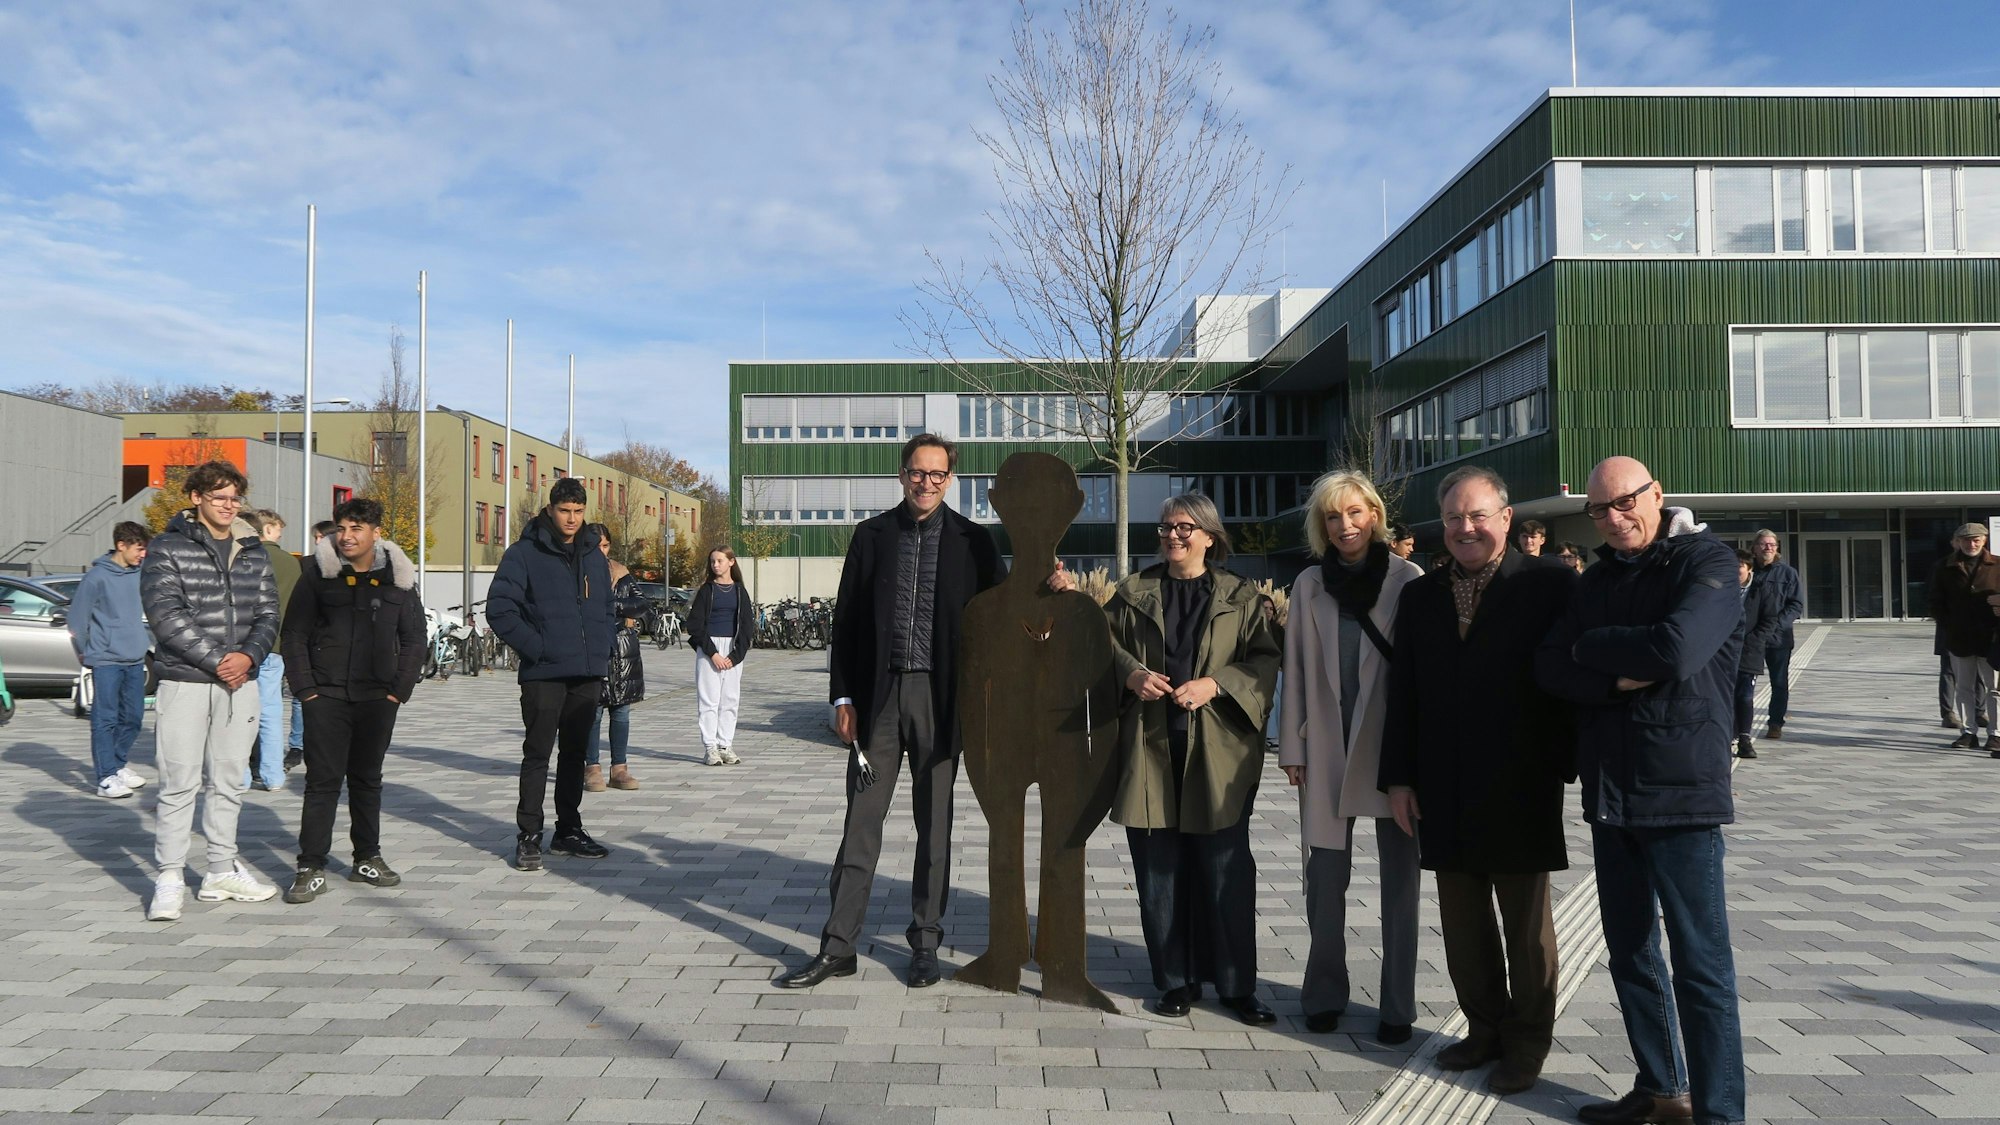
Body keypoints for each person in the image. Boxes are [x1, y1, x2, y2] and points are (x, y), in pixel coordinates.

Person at [1536, 457, 1745, 1125]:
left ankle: (1720, 1114)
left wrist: (1592, 646)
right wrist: (1608, 673)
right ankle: (1662, 1089)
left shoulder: (1704, 562)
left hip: (1681, 792)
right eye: (1600, 509)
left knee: (1701, 965)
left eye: (1626, 501)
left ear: (1657, 494)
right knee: (1629, 950)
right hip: (1610, 789)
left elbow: (1678, 650)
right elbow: (1548, 664)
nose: (1615, 517)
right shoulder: (1596, 579)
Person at [777, 434, 1003, 990]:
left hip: (941, 702)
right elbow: (847, 622)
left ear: (951, 479)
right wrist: (842, 697)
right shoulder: (871, 537)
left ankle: (925, 943)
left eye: (937, 475)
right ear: (901, 475)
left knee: (935, 827)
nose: (926, 483)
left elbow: (1004, 615)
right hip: (877, 702)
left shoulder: (975, 543)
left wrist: (1052, 591)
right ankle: (839, 946)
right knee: (860, 824)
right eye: (916, 473)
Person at [1380, 466, 1577, 1095]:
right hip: (1444, 784)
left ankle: (1526, 1043)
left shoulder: (1550, 583)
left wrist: (1567, 760)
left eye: (1478, 516)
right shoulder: (1422, 596)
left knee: (1526, 926)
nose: (1466, 529)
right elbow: (1403, 692)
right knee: (1463, 923)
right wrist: (1400, 779)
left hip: (1522, 781)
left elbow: (1572, 678)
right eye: (1454, 518)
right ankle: (1484, 1029)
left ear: (1506, 518)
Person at [1105, 493, 1282, 1024]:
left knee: (1224, 871)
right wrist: (1131, 673)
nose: (1171, 536)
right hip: (1149, 749)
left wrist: (1216, 683)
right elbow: (1098, 646)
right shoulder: (1132, 592)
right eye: (1164, 528)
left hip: (1219, 755)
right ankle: (1175, 980)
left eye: (1183, 528)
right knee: (1159, 872)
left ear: (1209, 535)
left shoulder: (1240, 596)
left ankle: (1234, 986)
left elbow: (1265, 660)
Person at [1279, 471, 1423, 1041]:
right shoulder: (1309, 583)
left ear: (1375, 516)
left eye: (1356, 513)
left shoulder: (1408, 579)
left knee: (1401, 886)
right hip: (1328, 745)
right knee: (1324, 881)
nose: (1346, 525)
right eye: (1334, 516)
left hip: (1392, 752)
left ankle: (1397, 1007)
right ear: (1322, 524)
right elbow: (1294, 671)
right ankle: (1323, 994)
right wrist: (1293, 745)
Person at [140, 460, 281, 920]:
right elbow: (166, 614)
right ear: (196, 497)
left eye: (235, 497)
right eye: (219, 497)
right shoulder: (167, 547)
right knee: (179, 782)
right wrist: (219, 660)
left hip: (241, 682)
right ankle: (169, 876)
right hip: (185, 680)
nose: (228, 505)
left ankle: (220, 868)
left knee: (229, 781)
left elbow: (268, 612)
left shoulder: (253, 548)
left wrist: (249, 657)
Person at [280, 498, 424, 903]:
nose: (346, 536)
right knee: (321, 782)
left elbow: (414, 638)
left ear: (376, 533)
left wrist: (399, 690)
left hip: (378, 697)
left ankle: (367, 857)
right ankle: (310, 866)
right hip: (324, 695)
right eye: (341, 527)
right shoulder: (315, 575)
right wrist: (306, 689)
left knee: (367, 780)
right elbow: (293, 634)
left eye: (356, 528)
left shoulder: (399, 576)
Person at [486, 477, 618, 871]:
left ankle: (568, 830)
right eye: (565, 511)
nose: (572, 519)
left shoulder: (594, 554)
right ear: (550, 509)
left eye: (579, 512)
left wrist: (602, 646)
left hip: (586, 672)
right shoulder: (523, 554)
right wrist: (538, 648)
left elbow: (607, 607)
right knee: (537, 755)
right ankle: (528, 836)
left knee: (576, 755)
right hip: (544, 674)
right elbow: (500, 610)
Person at [69, 521, 153, 799]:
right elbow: (77, 621)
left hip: (133, 658)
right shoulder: (96, 578)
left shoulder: (140, 574)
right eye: (139, 549)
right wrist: (85, 650)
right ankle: (105, 777)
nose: (143, 554)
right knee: (105, 719)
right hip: (105, 659)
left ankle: (117, 764)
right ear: (121, 545)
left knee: (134, 718)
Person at [584, 525, 648, 792]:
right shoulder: (578, 572)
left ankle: (619, 768)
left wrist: (612, 605)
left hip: (623, 649)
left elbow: (641, 604)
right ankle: (592, 767)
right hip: (592, 646)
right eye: (596, 545)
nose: (602, 551)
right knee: (593, 712)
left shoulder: (621, 573)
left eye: (606, 545)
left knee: (621, 712)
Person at [1932, 523, 2000, 753]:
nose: (1971, 544)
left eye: (1976, 540)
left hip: (1992, 638)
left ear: (1984, 540)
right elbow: (1935, 602)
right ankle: (1969, 732)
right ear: (1957, 542)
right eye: (1966, 540)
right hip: (1959, 638)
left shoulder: (1998, 565)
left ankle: (1996, 734)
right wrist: (1949, 625)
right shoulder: (1944, 567)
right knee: (1963, 688)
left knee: (1995, 689)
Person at [246, 510, 298, 792]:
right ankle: (273, 773)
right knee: (271, 710)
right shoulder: (291, 563)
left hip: (245, 645)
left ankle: (241, 773)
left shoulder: (243, 559)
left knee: (240, 711)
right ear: (266, 529)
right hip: (276, 644)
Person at [688, 546, 754, 767]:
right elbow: (694, 626)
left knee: (730, 700)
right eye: (713, 561)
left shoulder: (739, 591)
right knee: (709, 701)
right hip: (710, 650)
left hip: (732, 651)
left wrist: (735, 657)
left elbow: (747, 628)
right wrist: (713, 653)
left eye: (720, 561)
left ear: (731, 562)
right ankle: (710, 747)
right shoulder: (707, 591)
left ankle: (726, 744)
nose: (715, 565)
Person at [287, 522, 337, 773]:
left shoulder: (344, 566)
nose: (319, 541)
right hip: (309, 640)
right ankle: (298, 744)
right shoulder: (304, 565)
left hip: (330, 643)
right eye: (317, 537)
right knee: (302, 694)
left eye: (323, 536)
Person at [1749, 530, 1803, 740]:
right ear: (1754, 547)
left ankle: (1775, 723)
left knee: (1779, 683)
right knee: (1743, 683)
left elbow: (1796, 604)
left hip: (1778, 639)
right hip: (1751, 639)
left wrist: (1775, 626)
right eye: (1763, 544)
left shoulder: (1788, 573)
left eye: (1772, 544)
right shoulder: (1747, 571)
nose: (1768, 548)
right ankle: (1740, 726)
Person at [1730, 548, 1783, 761]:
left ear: (1749, 568)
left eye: (1739, 568)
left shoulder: (1762, 589)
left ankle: (1744, 738)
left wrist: (1752, 641)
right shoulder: (1723, 587)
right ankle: (1727, 736)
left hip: (1749, 651)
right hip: (1724, 652)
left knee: (1744, 695)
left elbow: (1770, 620)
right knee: (1725, 696)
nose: (1735, 572)